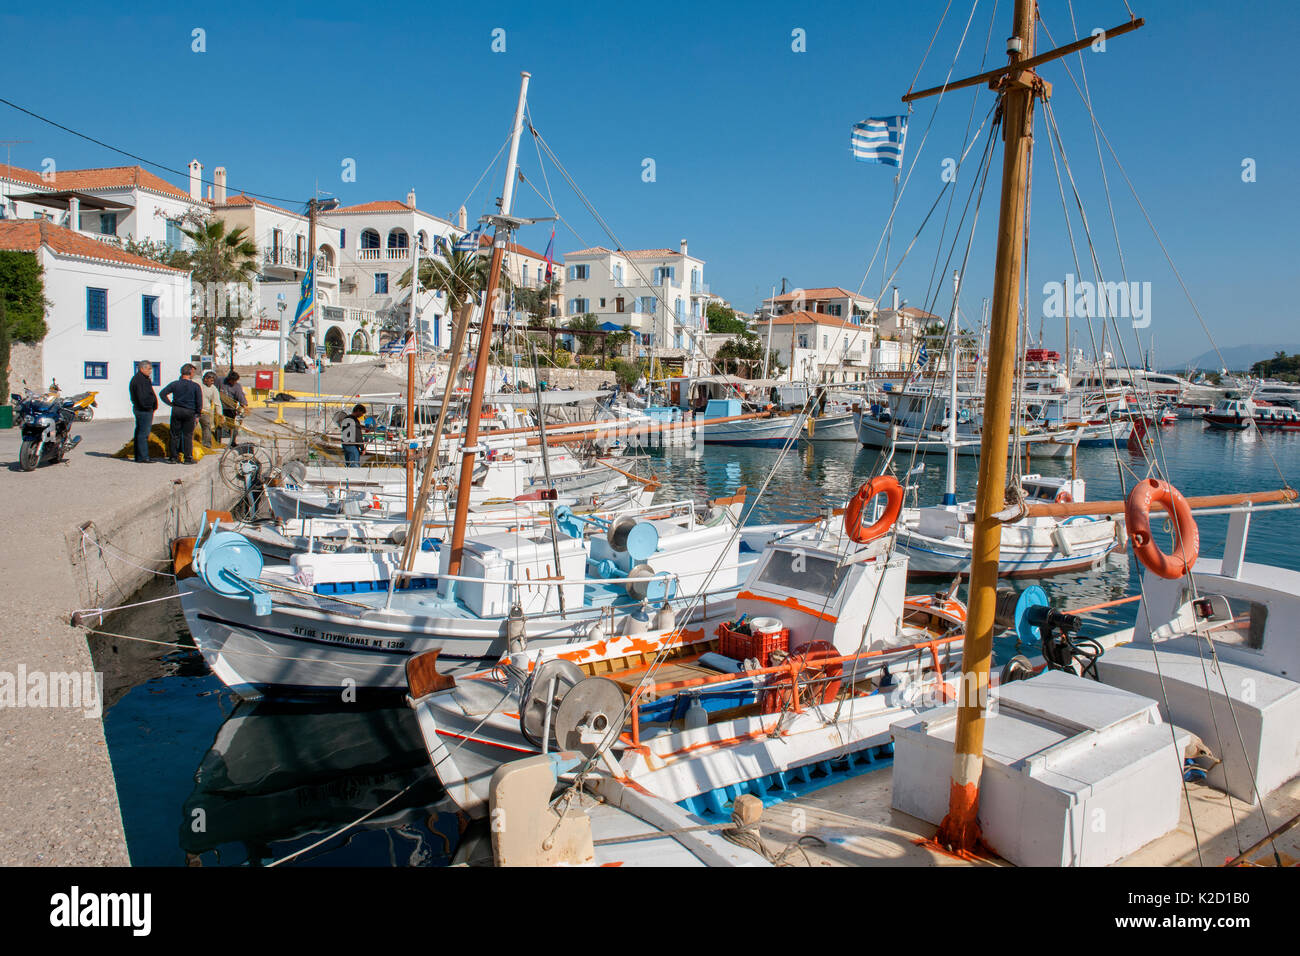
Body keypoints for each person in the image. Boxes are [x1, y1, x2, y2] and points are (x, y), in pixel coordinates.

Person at [159, 363, 202, 464]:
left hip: (177, 410)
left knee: (175, 435)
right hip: (189, 412)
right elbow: (199, 402)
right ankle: (188, 458)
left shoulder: (175, 384)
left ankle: (173, 457)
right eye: (193, 372)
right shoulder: (195, 386)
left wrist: (170, 404)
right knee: (187, 435)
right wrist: (198, 414)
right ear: (190, 372)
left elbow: (162, 394)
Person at [129, 361, 158, 463]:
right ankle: (143, 456)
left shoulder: (143, 379)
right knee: (143, 433)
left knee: (140, 432)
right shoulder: (139, 380)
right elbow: (142, 397)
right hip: (143, 410)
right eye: (149, 369)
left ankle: (140, 455)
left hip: (143, 409)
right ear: (142, 369)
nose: (150, 371)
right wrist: (148, 407)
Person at [219, 371, 249, 447]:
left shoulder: (237, 386)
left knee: (233, 426)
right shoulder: (221, 381)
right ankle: (217, 441)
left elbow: (241, 397)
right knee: (219, 424)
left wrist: (244, 406)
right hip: (220, 407)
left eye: (235, 381)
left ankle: (233, 442)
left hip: (231, 409)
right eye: (233, 381)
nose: (234, 382)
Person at [198, 371, 221, 448]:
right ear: (205, 379)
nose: (212, 382)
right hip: (195, 411)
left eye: (213, 381)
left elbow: (217, 403)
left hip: (205, 412)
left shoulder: (213, 388)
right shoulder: (197, 384)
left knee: (206, 427)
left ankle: (206, 445)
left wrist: (220, 414)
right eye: (211, 380)